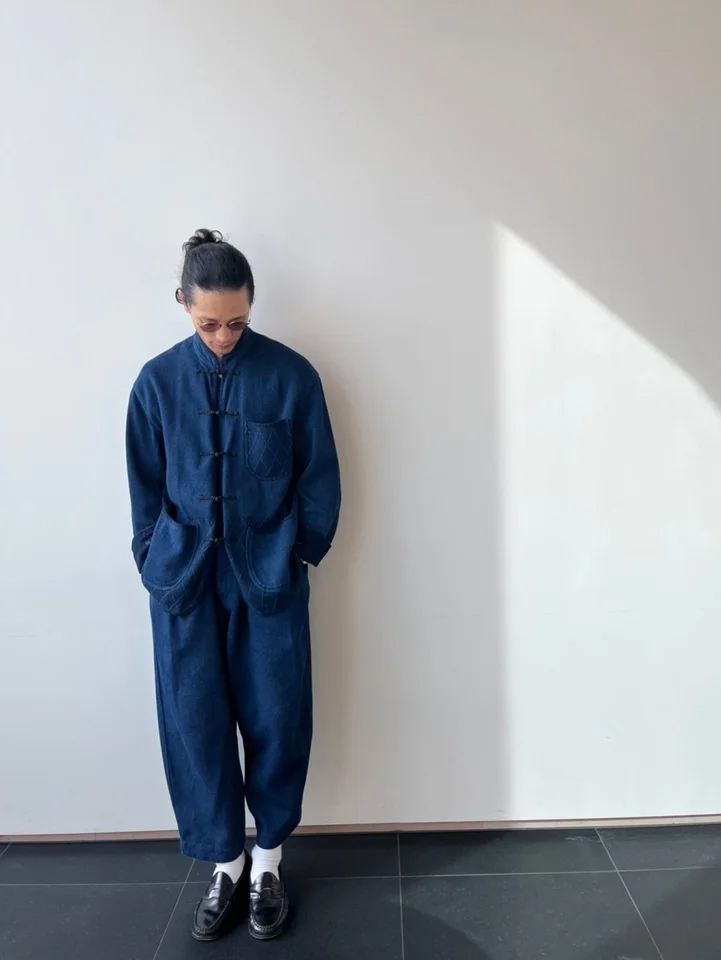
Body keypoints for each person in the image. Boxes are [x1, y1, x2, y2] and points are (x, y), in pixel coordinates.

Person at [126, 229, 341, 942]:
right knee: (195, 725)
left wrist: (298, 552)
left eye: (237, 322)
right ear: (182, 302)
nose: (223, 336)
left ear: (252, 306)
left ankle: (269, 862)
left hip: (268, 580)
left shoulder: (291, 376)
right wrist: (153, 559)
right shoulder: (155, 384)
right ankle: (226, 862)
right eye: (208, 323)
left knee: (278, 718)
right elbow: (143, 488)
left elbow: (318, 477)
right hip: (183, 585)